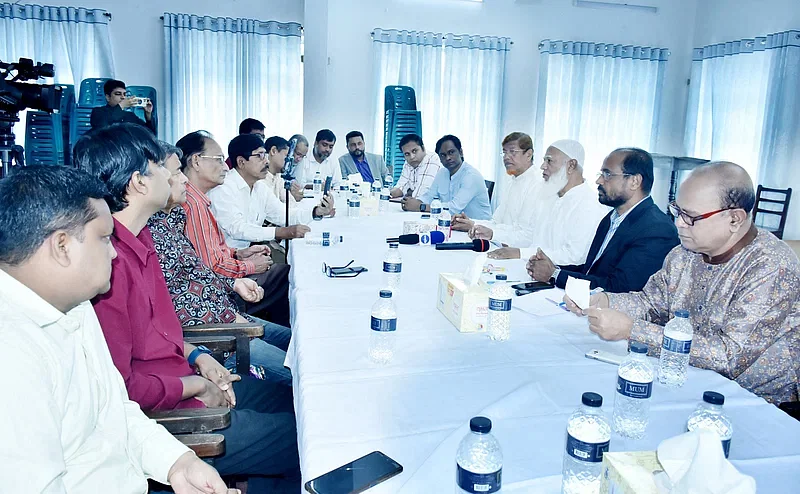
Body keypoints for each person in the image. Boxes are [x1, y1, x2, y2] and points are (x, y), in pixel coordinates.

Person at [75, 123, 301, 492]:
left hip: (186, 377)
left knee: (297, 402)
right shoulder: (107, 263)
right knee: (302, 439)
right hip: (169, 416)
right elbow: (120, 388)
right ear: (139, 182)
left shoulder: (142, 236)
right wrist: (192, 385)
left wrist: (196, 356)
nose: (174, 174)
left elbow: (154, 331)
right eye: (165, 168)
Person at [0, 166, 234, 493]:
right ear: (62, 246)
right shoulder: (12, 352)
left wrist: (177, 462)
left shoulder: (76, 304)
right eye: (104, 238)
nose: (113, 252)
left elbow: (116, 410)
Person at [566, 162, 800, 405]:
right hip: (690, 377)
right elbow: (651, 303)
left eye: (691, 217)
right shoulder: (685, 253)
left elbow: (729, 357)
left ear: (734, 219)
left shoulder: (771, 266)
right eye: (677, 211)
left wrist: (632, 330)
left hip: (757, 401)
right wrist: (603, 300)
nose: (678, 223)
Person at [148, 141, 292, 385]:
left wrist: (234, 271)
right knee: (301, 373)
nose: (183, 179)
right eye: (175, 173)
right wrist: (232, 306)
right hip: (217, 337)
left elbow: (199, 272)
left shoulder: (169, 219)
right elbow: (178, 300)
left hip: (224, 312)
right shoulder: (181, 211)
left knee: (299, 343)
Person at [177, 131, 292, 327]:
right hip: (216, 301)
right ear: (196, 162)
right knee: (286, 276)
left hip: (224, 282)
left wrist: (239, 253)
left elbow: (209, 254)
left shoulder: (201, 200)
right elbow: (211, 268)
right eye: (219, 159)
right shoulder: (193, 204)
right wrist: (250, 265)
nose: (224, 166)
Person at [527, 147, 679, 293]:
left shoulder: (656, 229)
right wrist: (552, 268)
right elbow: (591, 271)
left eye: (607, 174)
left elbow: (620, 288)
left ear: (634, 181)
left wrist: (555, 275)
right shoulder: (611, 218)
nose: (599, 180)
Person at [468, 139, 609, 265]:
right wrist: (494, 235)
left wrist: (520, 253)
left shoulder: (589, 205)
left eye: (549, 161)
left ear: (571, 166)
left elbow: (574, 256)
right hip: (530, 267)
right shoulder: (551, 196)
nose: (542, 166)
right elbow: (531, 237)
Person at [208, 133, 334, 247]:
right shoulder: (223, 188)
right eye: (260, 156)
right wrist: (282, 232)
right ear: (241, 162)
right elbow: (237, 229)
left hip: (249, 254)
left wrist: (316, 212)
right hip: (228, 261)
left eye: (265, 155)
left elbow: (283, 215)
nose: (266, 161)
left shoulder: (259, 187)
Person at [402, 134, 492, 220]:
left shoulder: (471, 176)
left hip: (478, 228)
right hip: (453, 225)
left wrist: (420, 206)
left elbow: (453, 209)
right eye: (443, 155)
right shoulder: (442, 173)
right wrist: (412, 202)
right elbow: (429, 196)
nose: (448, 158)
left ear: (461, 152)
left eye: (451, 152)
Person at [90, 79, 156, 133]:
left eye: (124, 94)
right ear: (108, 97)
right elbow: (103, 129)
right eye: (118, 94)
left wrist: (148, 115)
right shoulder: (98, 112)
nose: (123, 97)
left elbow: (149, 134)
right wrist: (121, 106)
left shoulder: (130, 115)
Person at [390, 133, 442, 199]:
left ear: (423, 148)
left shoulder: (432, 159)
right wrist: (389, 193)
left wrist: (411, 192)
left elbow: (422, 194)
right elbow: (401, 187)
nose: (411, 157)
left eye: (414, 151)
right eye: (407, 154)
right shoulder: (408, 163)